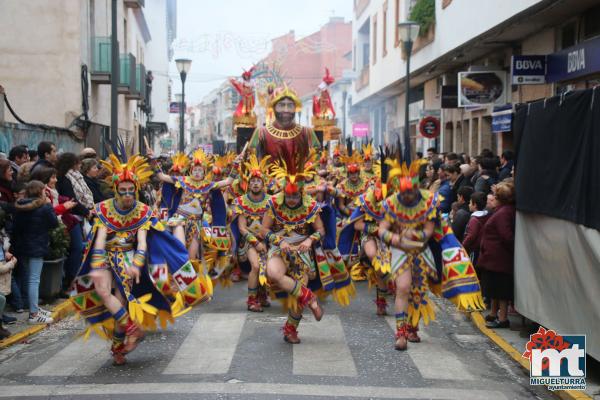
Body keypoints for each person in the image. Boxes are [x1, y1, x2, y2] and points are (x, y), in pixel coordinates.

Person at [70, 154, 213, 365]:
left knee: (120, 303)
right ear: (116, 189)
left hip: (128, 259)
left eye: (131, 191)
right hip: (104, 257)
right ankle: (132, 329)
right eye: (123, 190)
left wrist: (137, 264)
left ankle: (119, 345)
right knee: (101, 291)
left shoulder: (142, 212)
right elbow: (98, 238)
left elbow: (143, 242)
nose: (127, 195)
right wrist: (98, 265)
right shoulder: (103, 209)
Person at [377, 157, 485, 350]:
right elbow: (382, 229)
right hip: (399, 249)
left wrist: (414, 235)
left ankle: (413, 326)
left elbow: (429, 231)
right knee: (402, 288)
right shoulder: (390, 204)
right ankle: (400, 333)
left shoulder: (428, 202)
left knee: (418, 292)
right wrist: (395, 239)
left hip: (421, 250)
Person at [260, 148, 354, 344]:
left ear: (301, 192)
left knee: (296, 297)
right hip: (280, 249)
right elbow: (264, 231)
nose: (292, 199)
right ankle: (310, 298)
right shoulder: (274, 204)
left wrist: (309, 240)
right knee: (274, 274)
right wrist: (280, 241)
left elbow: (321, 231)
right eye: (289, 196)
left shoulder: (310, 206)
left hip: (302, 253)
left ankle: (291, 329)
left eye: (295, 196)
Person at [13, 180, 59, 324]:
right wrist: (49, 205)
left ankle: (35, 308)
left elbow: (15, 228)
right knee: (34, 280)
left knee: (30, 279)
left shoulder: (20, 206)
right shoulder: (44, 207)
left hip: (22, 247)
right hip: (37, 247)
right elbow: (54, 223)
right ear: (40, 192)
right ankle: (33, 314)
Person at [231, 153, 271, 312]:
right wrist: (256, 242)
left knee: (267, 267)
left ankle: (262, 294)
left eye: (258, 181)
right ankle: (251, 300)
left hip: (267, 240)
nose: (255, 184)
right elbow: (241, 227)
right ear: (248, 184)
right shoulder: (241, 201)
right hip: (249, 241)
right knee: (256, 266)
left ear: (263, 183)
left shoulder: (271, 201)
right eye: (252, 181)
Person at [478, 182, 516, 329]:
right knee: (494, 288)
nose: (492, 198)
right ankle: (494, 314)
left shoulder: (503, 213)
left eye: (495, 195)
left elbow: (507, 236)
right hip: (495, 258)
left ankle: (502, 318)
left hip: (499, 258)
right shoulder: (503, 211)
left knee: (500, 291)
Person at [248, 85, 321, 162]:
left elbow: (317, 164)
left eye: (290, 105)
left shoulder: (307, 133)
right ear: (273, 107)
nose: (286, 110)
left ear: (295, 108)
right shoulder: (261, 133)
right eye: (281, 105)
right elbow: (252, 165)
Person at [56, 153, 92, 292]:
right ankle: (70, 280)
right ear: (72, 164)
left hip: (75, 216)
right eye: (78, 163)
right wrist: (86, 211)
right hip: (70, 217)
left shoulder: (72, 177)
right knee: (77, 248)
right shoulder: (65, 179)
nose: (80, 166)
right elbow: (72, 200)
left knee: (77, 248)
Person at [462, 191, 491, 273]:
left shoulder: (474, 219)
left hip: (473, 250)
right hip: (482, 249)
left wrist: (462, 246)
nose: (469, 204)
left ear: (475, 205)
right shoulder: (487, 215)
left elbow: (471, 235)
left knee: (472, 270)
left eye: (470, 203)